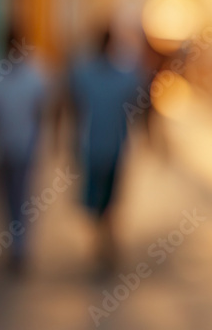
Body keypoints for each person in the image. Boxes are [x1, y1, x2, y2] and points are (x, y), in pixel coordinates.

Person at [68, 28, 142, 273]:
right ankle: (104, 241)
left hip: (99, 148)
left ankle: (104, 242)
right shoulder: (121, 77)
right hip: (108, 148)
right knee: (104, 199)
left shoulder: (86, 74)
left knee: (103, 198)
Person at [0, 28, 48, 273]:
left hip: (23, 147)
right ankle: (14, 245)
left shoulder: (33, 76)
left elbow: (39, 111)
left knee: (20, 199)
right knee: (7, 199)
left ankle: (19, 249)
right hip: (3, 147)